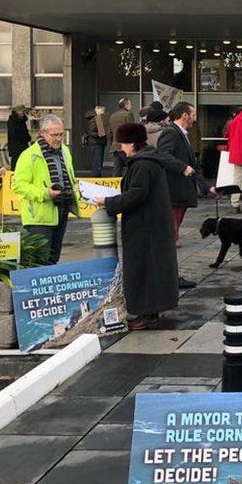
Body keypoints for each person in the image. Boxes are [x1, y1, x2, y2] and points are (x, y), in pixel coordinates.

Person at [93, 123, 179, 331]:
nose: (121, 148)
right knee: (152, 270)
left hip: (145, 227)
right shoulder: (149, 161)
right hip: (152, 225)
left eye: (123, 143)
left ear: (132, 144)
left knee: (142, 270)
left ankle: (145, 313)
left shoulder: (142, 165)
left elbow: (137, 194)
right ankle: (150, 311)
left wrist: (108, 201)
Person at [155, 101, 217, 289]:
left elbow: (193, 168)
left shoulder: (181, 134)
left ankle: (170, 276)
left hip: (180, 194)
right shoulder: (171, 133)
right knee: (170, 237)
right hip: (173, 194)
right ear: (184, 116)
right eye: (194, 115)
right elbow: (162, 155)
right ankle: (169, 277)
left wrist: (207, 188)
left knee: (173, 236)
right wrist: (182, 167)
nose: (195, 119)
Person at [13, 115, 78, 265]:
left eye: (61, 134)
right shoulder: (29, 155)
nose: (59, 138)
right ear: (42, 133)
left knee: (53, 258)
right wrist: (44, 193)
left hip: (61, 209)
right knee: (40, 260)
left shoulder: (65, 151)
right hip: (38, 216)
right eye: (55, 135)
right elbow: (19, 185)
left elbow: (68, 177)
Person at [109, 98, 136, 176]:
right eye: (130, 104)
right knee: (130, 167)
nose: (131, 106)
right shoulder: (129, 114)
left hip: (115, 146)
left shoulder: (113, 116)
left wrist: (112, 145)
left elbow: (110, 133)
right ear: (126, 105)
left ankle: (115, 187)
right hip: (126, 146)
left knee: (117, 169)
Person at [83, 106, 110, 177]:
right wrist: (100, 134)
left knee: (98, 162)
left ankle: (97, 175)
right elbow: (91, 132)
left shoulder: (98, 119)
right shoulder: (95, 120)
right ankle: (96, 176)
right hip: (96, 143)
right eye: (102, 112)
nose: (103, 113)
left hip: (99, 142)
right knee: (97, 162)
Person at [6, 105, 32, 171]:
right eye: (22, 111)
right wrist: (27, 138)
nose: (23, 113)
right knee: (16, 163)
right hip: (17, 146)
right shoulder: (15, 121)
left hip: (19, 146)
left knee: (22, 162)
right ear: (17, 111)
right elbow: (18, 133)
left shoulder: (20, 120)